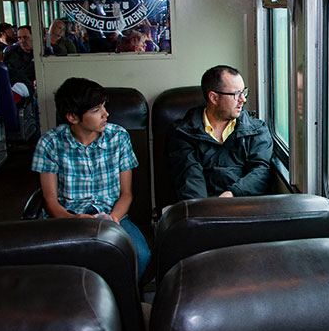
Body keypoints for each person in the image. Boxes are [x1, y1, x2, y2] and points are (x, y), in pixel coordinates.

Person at [31, 78, 150, 279]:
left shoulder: (118, 137)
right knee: (63, 263)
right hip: (68, 217)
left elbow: (126, 194)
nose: (106, 114)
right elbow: (50, 201)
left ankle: (124, 303)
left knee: (141, 255)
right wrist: (73, 220)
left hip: (112, 214)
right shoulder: (50, 143)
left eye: (104, 106)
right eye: (96, 110)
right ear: (72, 117)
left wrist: (113, 219)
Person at [168, 65, 273, 200]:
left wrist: (232, 194)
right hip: (202, 209)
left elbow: (261, 171)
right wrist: (208, 211)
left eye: (244, 92)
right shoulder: (182, 133)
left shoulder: (256, 130)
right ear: (214, 98)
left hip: (245, 205)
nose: (243, 99)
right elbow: (190, 176)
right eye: (236, 94)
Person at [3, 25, 35, 94]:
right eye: (19, 38)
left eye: (25, 37)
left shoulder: (42, 54)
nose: (22, 41)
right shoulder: (10, 54)